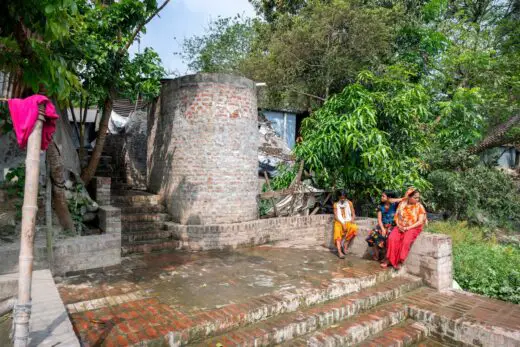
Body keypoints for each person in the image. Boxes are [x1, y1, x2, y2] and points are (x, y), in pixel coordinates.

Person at [381, 189, 426, 269]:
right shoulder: (402, 204)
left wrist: (407, 228)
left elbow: (420, 221)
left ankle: (400, 261)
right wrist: (399, 225)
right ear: (409, 197)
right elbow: (396, 217)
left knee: (406, 241)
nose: (417, 199)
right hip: (400, 226)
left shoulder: (419, 206)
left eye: (418, 198)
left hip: (413, 228)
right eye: (415, 197)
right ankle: (389, 259)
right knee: (391, 238)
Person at [365, 191, 403, 261]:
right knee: (373, 235)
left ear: (389, 198)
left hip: (392, 226)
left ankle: (386, 257)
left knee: (388, 237)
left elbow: (404, 199)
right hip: (382, 225)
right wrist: (382, 229)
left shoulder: (395, 205)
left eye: (383, 196)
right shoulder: (380, 206)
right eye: (381, 196)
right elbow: (379, 220)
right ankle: (376, 254)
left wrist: (392, 200)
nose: (381, 197)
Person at [333, 190, 358, 259]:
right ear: (338, 197)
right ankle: (339, 252)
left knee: (354, 228)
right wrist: (342, 223)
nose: (343, 199)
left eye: (344, 197)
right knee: (337, 233)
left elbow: (353, 214)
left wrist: (352, 219)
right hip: (339, 222)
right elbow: (336, 216)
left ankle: (345, 245)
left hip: (348, 221)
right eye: (341, 197)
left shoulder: (349, 203)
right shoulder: (335, 204)